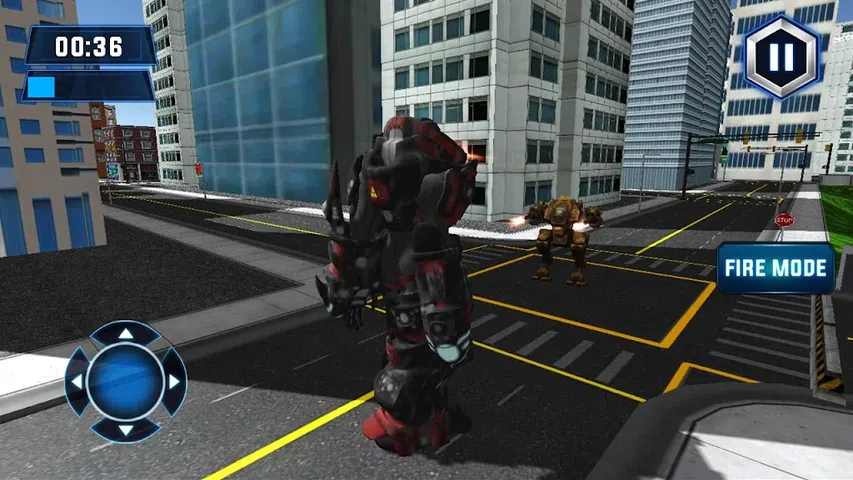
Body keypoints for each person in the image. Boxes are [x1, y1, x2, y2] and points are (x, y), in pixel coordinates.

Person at [316, 116, 477, 456]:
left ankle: (427, 422)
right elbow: (362, 243)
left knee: (415, 368)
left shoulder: (427, 228)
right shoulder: (388, 217)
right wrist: (350, 287)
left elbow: (450, 338)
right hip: (404, 290)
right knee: (410, 360)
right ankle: (429, 419)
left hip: (418, 282)